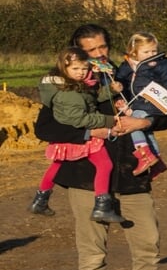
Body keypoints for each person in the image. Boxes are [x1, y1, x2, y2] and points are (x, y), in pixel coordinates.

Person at [40, 25, 167, 270]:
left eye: (102, 48)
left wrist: (145, 120)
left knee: (148, 243)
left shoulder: (128, 76)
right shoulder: (66, 85)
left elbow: (163, 110)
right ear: (77, 54)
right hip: (87, 178)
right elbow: (45, 130)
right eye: (91, 50)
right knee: (93, 251)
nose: (99, 55)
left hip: (132, 174)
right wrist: (90, 131)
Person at [33, 48, 125, 224]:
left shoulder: (76, 85)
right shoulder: (69, 93)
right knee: (105, 164)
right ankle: (101, 206)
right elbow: (79, 118)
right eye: (76, 69)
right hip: (83, 136)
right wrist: (108, 120)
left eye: (84, 69)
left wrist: (110, 90)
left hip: (70, 137)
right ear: (64, 68)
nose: (81, 73)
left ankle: (40, 199)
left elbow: (92, 98)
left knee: (58, 164)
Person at [113, 31, 167, 175]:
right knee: (146, 131)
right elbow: (123, 83)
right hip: (136, 103)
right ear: (134, 52)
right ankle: (156, 159)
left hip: (152, 102)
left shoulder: (160, 64)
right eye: (146, 51)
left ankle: (145, 156)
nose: (151, 54)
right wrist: (119, 94)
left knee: (134, 124)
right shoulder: (126, 66)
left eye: (154, 50)